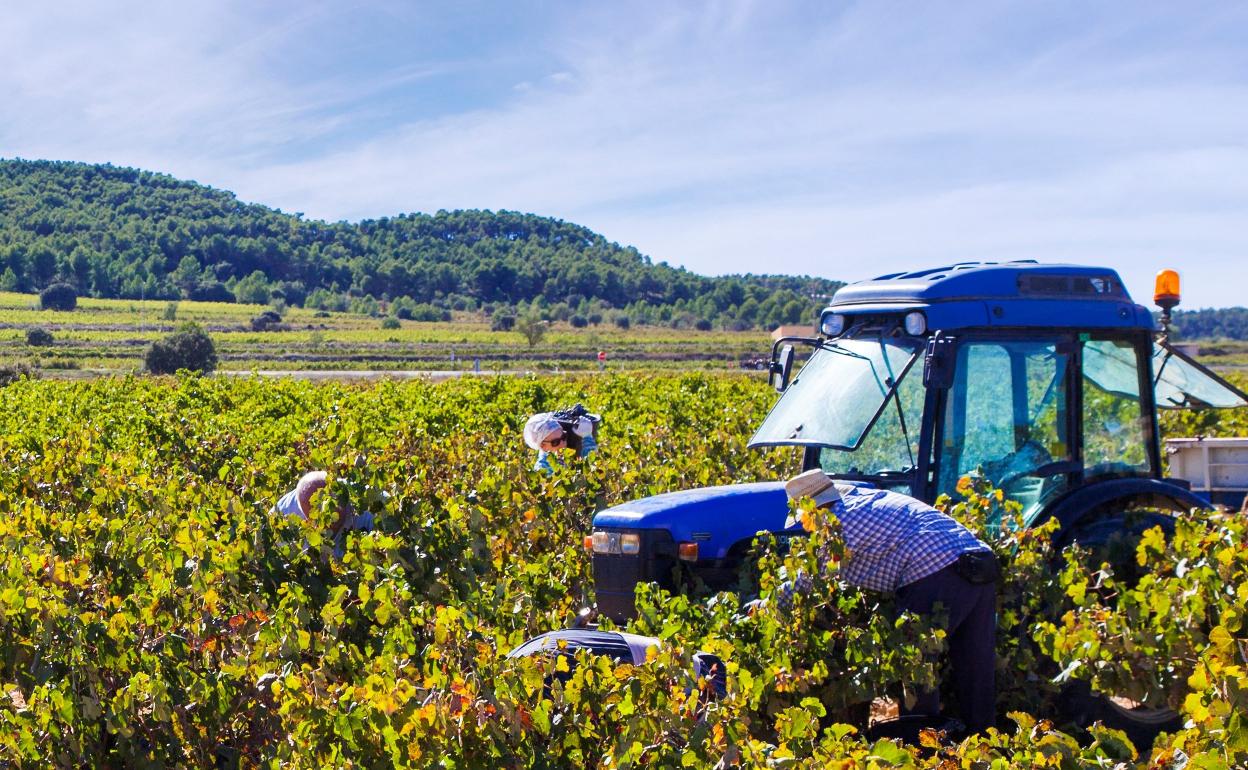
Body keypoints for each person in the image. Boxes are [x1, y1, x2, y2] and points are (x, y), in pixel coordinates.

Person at [782, 469, 999, 734]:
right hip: (980, 563)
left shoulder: (836, 521)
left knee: (913, 665)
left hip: (935, 570)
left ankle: (921, 751)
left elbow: (809, 580)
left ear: (812, 509)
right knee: (975, 665)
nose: (803, 525)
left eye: (802, 517)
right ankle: (986, 746)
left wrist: (769, 605)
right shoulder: (863, 501)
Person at [273, 471, 374, 557]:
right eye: (316, 520)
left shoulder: (366, 500)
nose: (326, 525)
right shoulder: (282, 514)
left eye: (332, 517)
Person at [523, 404, 600, 474]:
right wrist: (587, 438)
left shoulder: (562, 457)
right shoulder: (543, 469)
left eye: (564, 436)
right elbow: (593, 471)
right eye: (555, 442)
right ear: (542, 445)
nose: (563, 443)